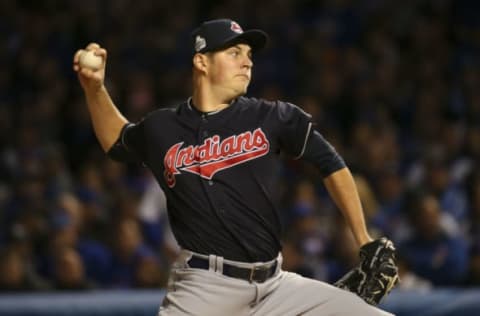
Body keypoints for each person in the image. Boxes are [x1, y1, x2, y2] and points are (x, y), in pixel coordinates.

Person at [74, 18, 396, 316]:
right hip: (203, 287)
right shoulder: (162, 128)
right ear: (201, 61)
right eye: (234, 52)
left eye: (249, 54)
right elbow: (117, 142)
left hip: (276, 286)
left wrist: (363, 237)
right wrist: (95, 90)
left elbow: (331, 164)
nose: (248, 61)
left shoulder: (273, 116)